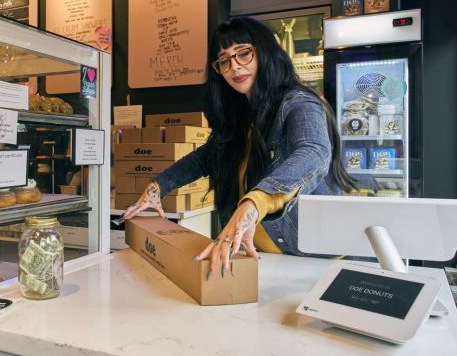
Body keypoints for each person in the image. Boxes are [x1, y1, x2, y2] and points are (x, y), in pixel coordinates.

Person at [123, 17, 355, 279]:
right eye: (224, 60)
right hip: (266, 257)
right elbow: (203, 159)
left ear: (265, 52)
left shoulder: (298, 102)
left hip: (318, 260)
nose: (234, 66)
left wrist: (254, 202)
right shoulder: (241, 117)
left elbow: (314, 152)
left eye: (243, 53)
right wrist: (157, 187)